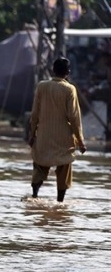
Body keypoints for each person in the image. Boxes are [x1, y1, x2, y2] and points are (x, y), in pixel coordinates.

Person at [28, 57, 86, 202]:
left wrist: (32, 134)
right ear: (68, 72)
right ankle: (60, 202)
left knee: (39, 166)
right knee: (64, 168)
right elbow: (74, 118)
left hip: (43, 136)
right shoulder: (69, 89)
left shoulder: (42, 86)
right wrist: (80, 141)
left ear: (52, 70)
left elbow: (34, 114)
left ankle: (34, 195)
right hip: (63, 138)